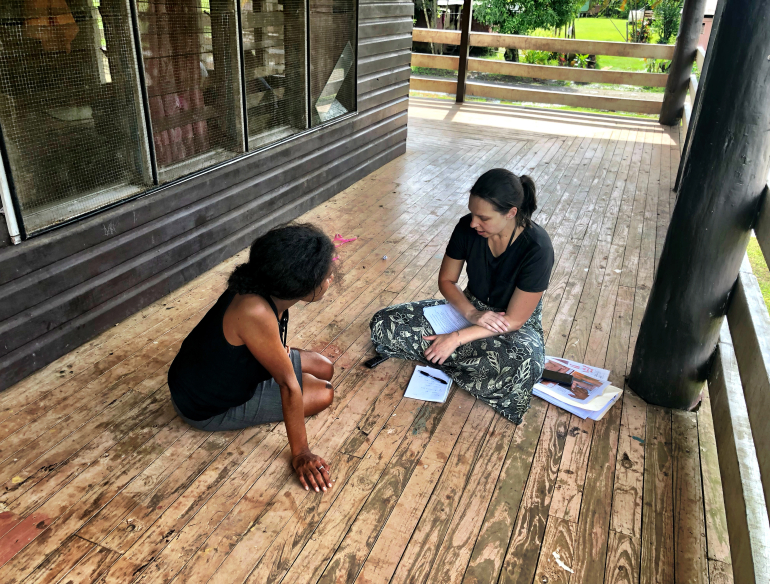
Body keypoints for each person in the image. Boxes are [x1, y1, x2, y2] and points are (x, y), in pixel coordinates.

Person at [370, 169, 554, 424]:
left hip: (509, 327)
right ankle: (461, 360)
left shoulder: (537, 247)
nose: (473, 223)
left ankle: (444, 351)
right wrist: (471, 313)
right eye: (472, 213)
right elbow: (447, 280)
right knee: (385, 322)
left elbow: (514, 321)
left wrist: (455, 338)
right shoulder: (467, 228)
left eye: (483, 218)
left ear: (511, 212)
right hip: (467, 308)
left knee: (525, 362)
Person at [168, 223, 336, 493]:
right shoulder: (254, 310)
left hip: (211, 374)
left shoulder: (258, 282)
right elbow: (289, 387)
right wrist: (301, 453)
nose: (330, 280)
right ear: (300, 287)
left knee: (324, 367)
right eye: (326, 277)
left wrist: (278, 351)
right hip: (206, 406)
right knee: (324, 393)